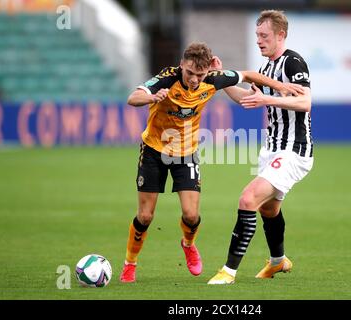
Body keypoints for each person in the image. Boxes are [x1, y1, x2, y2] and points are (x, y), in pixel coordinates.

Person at [119, 42, 304, 283]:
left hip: (186, 153)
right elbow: (133, 97)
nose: (195, 79)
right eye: (190, 73)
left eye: (200, 74)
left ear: (207, 71)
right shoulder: (167, 78)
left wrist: (280, 86)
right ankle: (130, 264)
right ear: (182, 65)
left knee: (191, 215)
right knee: (145, 217)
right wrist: (152, 97)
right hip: (154, 150)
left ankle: (188, 244)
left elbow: (247, 74)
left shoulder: (213, 79)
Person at [208, 10, 313, 285]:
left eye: (264, 35)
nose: (258, 40)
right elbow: (247, 99)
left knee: (248, 199)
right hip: (271, 149)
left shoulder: (293, 62)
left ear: (281, 35)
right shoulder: (267, 69)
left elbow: (305, 102)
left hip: (293, 149)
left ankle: (228, 272)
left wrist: (269, 101)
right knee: (269, 210)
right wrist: (221, 80)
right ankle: (278, 262)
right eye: (257, 35)